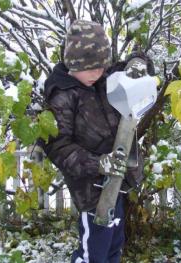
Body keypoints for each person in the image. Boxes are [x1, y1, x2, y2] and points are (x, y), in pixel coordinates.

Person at [40, 20, 151, 263]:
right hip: (92, 191)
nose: (97, 73)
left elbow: (129, 68)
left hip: (118, 182)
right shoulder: (62, 95)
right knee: (94, 252)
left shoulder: (103, 76)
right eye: (90, 68)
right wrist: (98, 164)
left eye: (101, 67)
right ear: (73, 63)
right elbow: (58, 146)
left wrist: (138, 63)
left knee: (114, 245)